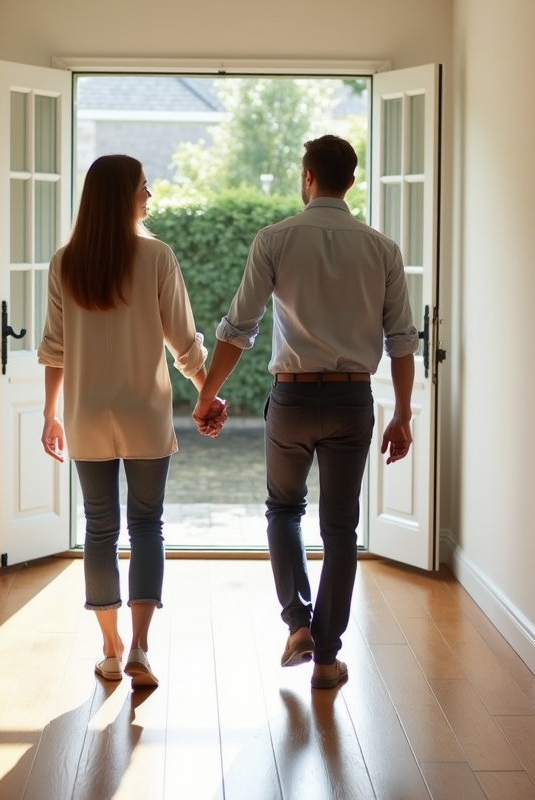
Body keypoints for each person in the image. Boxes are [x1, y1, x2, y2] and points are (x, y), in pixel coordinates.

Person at [192, 135, 417, 690]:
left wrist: (206, 396)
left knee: (283, 511)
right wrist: (404, 413)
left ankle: (298, 624)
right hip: (351, 400)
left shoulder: (275, 239)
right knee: (341, 528)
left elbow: (237, 329)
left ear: (307, 177)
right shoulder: (383, 249)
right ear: (351, 181)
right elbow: (403, 342)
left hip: (291, 399)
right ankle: (326, 658)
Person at [39, 154, 226, 689]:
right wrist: (205, 395)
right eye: (145, 188)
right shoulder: (157, 257)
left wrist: (50, 415)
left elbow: (55, 350)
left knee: (99, 527)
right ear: (123, 195)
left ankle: (111, 648)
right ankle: (141, 648)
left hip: (88, 414)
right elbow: (184, 343)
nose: (151, 197)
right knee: (146, 525)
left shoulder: (65, 262)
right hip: (145, 411)